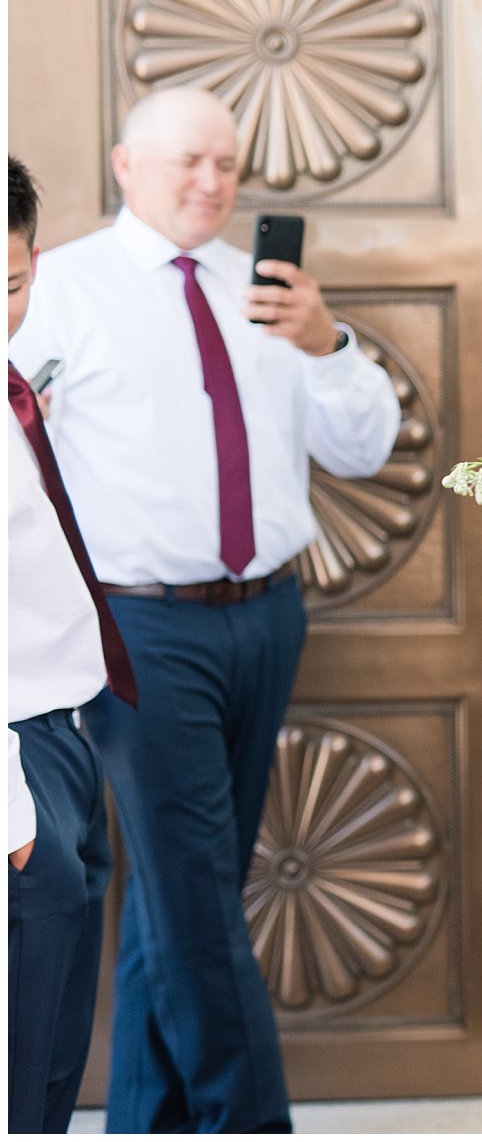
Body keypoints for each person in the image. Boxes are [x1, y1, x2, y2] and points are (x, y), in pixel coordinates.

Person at [9, 88, 401, 1132]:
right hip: (138, 633)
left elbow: (363, 447)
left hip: (267, 618)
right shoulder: (62, 289)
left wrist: (328, 343)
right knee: (192, 896)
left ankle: (149, 1122)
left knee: (190, 895)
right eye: (185, 162)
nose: (209, 183)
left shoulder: (267, 291)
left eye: (225, 164)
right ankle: (248, 1124)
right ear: (125, 165)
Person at [8, 155, 134, 1134]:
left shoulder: (16, 386)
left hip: (59, 729)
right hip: (10, 757)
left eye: (9, 286)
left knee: (52, 1057)